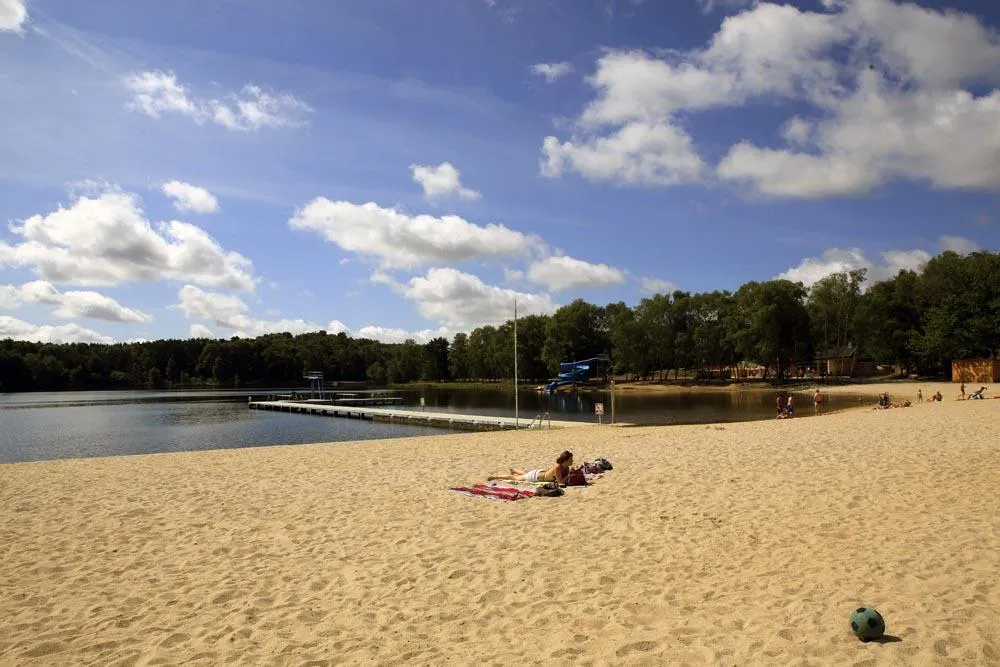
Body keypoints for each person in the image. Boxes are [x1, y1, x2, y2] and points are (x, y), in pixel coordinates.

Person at [488, 450, 574, 486]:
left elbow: (562, 479)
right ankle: (496, 476)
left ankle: (513, 470)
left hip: (541, 473)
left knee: (525, 473)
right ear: (565, 460)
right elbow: (561, 482)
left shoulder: (566, 467)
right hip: (536, 477)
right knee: (515, 478)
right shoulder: (558, 467)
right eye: (571, 459)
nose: (572, 461)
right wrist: (570, 474)